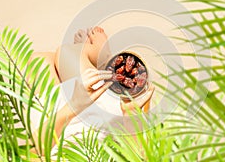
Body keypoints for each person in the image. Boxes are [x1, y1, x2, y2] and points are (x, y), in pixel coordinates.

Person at [30, 26, 154, 154]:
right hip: (100, 127)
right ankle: (103, 59)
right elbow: (141, 156)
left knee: (39, 59)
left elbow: (31, 152)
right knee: (64, 53)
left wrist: (74, 105)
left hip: (54, 132)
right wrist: (130, 115)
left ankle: (99, 63)